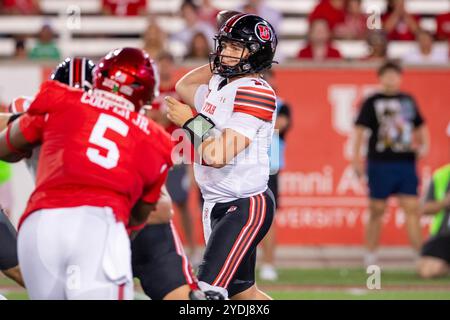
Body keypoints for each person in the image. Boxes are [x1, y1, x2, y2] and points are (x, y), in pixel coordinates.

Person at [2, 56, 216, 300]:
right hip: (119, 217)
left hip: (60, 221)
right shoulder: (136, 118)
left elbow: (218, 152)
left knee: (216, 290)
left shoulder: (52, 105)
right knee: (216, 291)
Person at [167, 13, 277, 300]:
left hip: (243, 205)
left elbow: (218, 155)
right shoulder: (221, 84)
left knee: (205, 294)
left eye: (234, 47)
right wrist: (228, 56)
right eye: (223, 45)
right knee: (245, 295)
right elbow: (184, 86)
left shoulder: (256, 91)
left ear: (256, 54)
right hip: (217, 202)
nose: (224, 53)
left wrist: (190, 122)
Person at [352, 61, 429, 267]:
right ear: (380, 77)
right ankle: (370, 256)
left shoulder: (407, 100)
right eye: (387, 75)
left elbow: (420, 125)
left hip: (405, 162)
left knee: (411, 207)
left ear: (400, 77)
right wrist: (356, 159)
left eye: (395, 75)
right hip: (379, 162)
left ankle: (420, 256)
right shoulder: (372, 101)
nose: (391, 79)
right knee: (377, 208)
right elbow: (359, 131)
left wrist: (424, 146)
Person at [259, 70, 291, 281]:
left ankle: (269, 263)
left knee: (268, 219)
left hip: (270, 167)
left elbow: (280, 124)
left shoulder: (281, 105)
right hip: (246, 166)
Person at [417, 163, 450, 279]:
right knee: (426, 270)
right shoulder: (441, 175)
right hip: (444, 234)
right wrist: (445, 202)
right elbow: (425, 209)